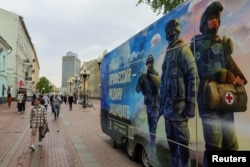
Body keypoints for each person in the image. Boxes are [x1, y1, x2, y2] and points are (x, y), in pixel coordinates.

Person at [190, 2, 246, 167]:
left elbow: (231, 65)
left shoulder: (223, 44)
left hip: (225, 102)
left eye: (216, 18)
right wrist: (224, 74)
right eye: (211, 18)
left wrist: (239, 78)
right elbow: (200, 69)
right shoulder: (197, 43)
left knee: (231, 145)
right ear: (204, 22)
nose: (214, 21)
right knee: (214, 146)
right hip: (208, 101)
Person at [159, 18, 199, 167]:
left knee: (183, 144)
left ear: (177, 32)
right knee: (172, 146)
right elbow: (163, 84)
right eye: (168, 33)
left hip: (180, 111)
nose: (170, 35)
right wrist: (160, 107)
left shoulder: (183, 50)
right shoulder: (168, 54)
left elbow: (193, 77)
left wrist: (191, 106)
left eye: (173, 32)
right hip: (168, 111)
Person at [136, 54, 160, 156]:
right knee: (151, 127)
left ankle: (153, 147)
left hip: (155, 105)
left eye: (151, 63)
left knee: (153, 127)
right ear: (146, 64)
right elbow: (138, 90)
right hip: (149, 106)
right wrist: (140, 81)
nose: (150, 65)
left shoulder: (156, 75)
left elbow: (160, 87)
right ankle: (152, 144)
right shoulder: (144, 76)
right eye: (148, 63)